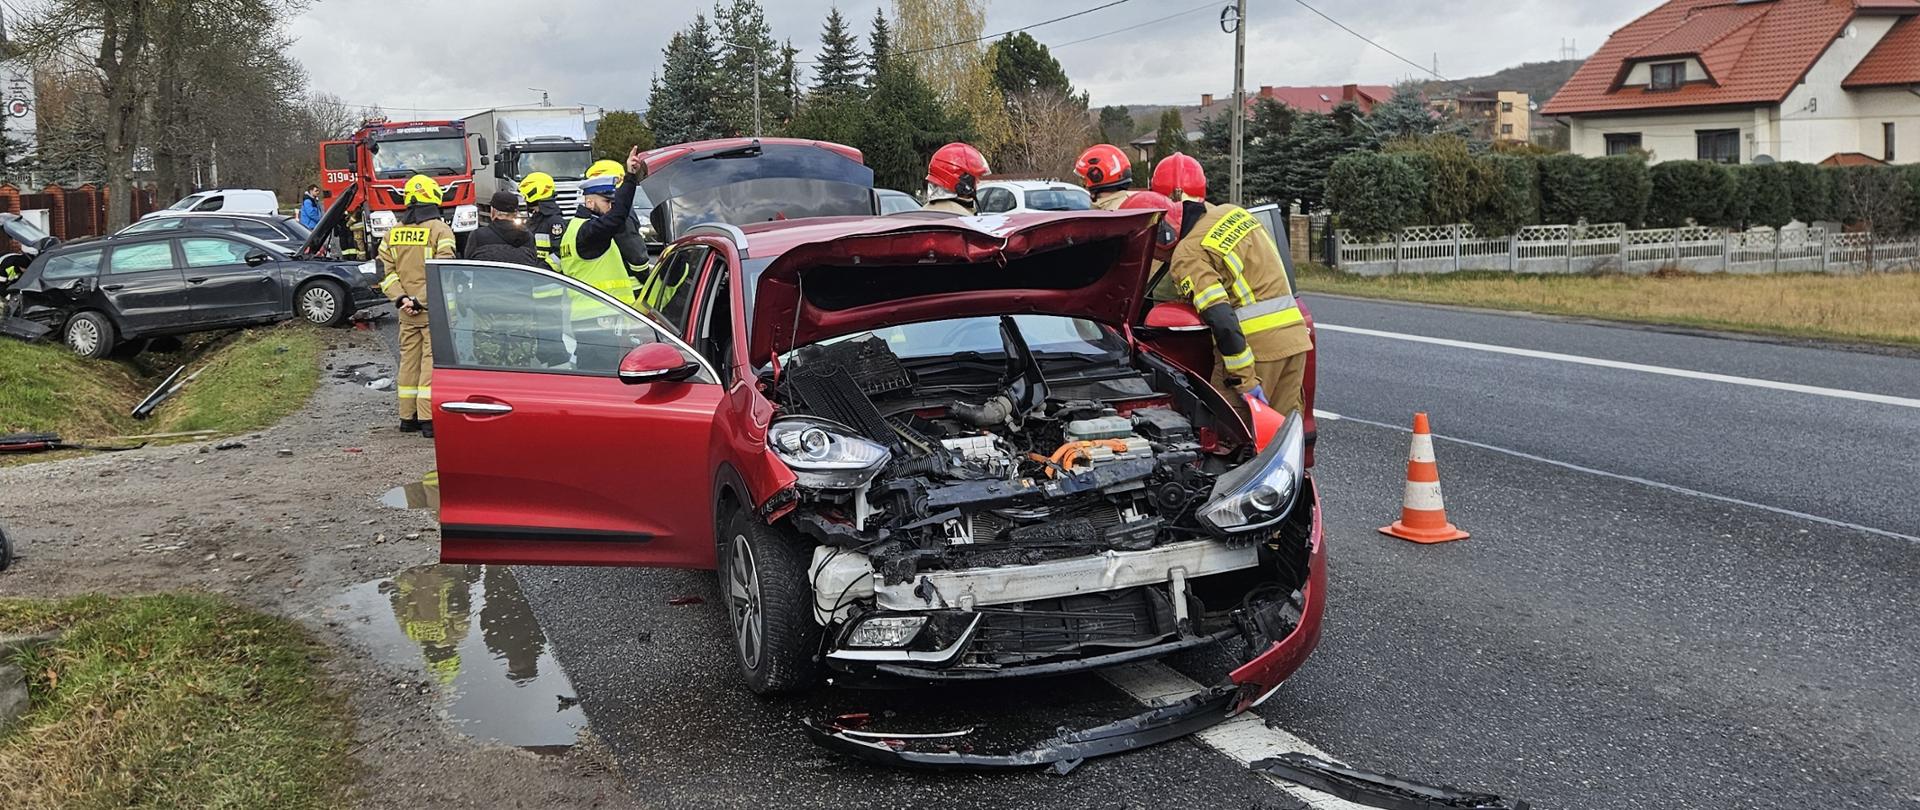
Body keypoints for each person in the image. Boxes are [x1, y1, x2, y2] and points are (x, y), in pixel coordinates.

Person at [1121, 191, 1311, 420]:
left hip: (1256, 354)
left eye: (1151, 250)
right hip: (1295, 340)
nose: (1157, 258)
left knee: (1235, 438)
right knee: (1285, 434)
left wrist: (1245, 380)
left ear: (1162, 236)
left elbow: (1220, 317)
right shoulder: (1231, 213)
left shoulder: (1187, 255)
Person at [377, 174, 458, 438]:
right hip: (432, 309)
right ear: (434, 197)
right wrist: (419, 301)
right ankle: (427, 419)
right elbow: (443, 270)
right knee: (430, 363)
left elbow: (386, 274)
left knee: (408, 362)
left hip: (405, 312)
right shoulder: (440, 230)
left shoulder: (392, 234)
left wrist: (401, 299)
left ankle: (406, 417)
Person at [556, 146, 647, 369]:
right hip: (597, 318)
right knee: (599, 375)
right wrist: (630, 178)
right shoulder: (588, 233)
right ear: (589, 203)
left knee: (593, 371)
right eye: (607, 202)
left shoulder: (576, 228)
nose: (611, 207)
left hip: (591, 317)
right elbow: (617, 219)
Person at [465, 189, 539, 263]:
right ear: (516, 213)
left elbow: (469, 265)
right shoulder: (528, 236)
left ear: (493, 211)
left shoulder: (478, 235)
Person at [924, 142, 988, 215]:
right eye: (975, 179)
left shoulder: (922, 212)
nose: (978, 183)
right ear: (963, 184)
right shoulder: (963, 218)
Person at [518, 172, 566, 269]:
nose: (524, 199)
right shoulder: (536, 218)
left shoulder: (555, 222)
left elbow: (560, 254)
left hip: (546, 277)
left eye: (526, 195)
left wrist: (543, 269)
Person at [1075, 144, 1135, 210]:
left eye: (1084, 180)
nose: (1085, 186)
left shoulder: (1107, 215)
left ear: (1096, 178)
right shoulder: (1129, 206)